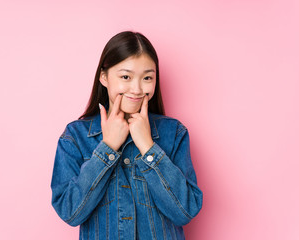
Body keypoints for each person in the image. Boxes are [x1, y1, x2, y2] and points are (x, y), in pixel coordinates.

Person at [50, 31, 203, 240]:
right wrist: (108, 147)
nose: (137, 89)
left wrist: (148, 148)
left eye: (147, 77)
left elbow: (185, 210)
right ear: (104, 77)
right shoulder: (75, 137)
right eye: (125, 77)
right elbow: (71, 212)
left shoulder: (174, 133)